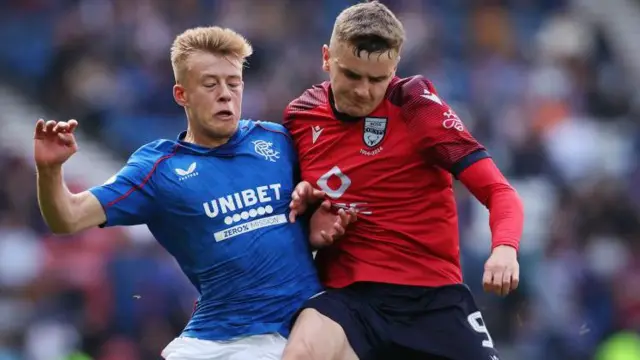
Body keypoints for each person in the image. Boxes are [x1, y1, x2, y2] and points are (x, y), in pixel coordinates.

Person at [34, 26, 353, 360]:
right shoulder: (158, 168)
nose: (226, 94)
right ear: (181, 94)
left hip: (301, 333)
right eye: (210, 84)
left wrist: (318, 220)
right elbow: (66, 219)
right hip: (218, 343)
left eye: (234, 83)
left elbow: (321, 201)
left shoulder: (275, 140)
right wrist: (50, 170)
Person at [282, 1, 525, 360]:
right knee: (302, 352)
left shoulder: (416, 107)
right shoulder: (300, 117)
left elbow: (498, 190)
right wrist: (308, 216)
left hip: (432, 301)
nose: (364, 91)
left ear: (394, 68)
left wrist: (505, 248)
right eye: (351, 75)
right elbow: (288, 209)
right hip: (351, 302)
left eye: (377, 79)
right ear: (326, 58)